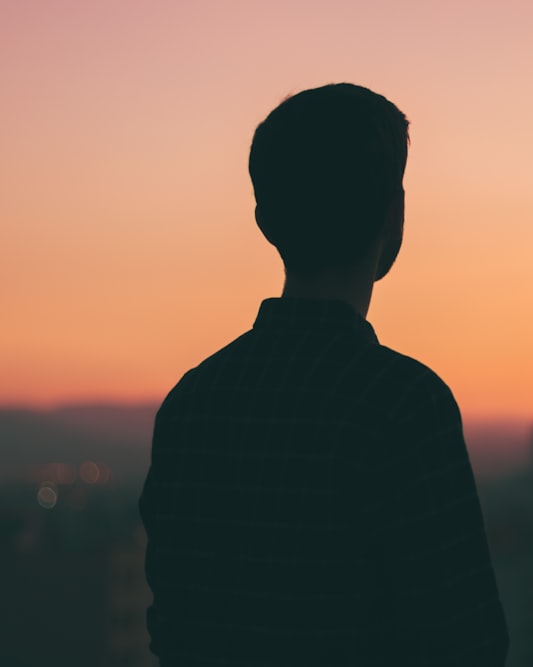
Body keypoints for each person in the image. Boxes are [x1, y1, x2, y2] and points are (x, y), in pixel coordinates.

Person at [139, 83, 509, 666]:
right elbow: (466, 642)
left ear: (265, 220)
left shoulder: (191, 404)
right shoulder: (404, 406)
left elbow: (173, 630)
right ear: (395, 214)